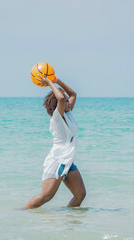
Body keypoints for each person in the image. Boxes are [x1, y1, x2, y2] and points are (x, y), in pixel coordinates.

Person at [23, 75, 86, 209]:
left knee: (80, 195)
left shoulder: (68, 114)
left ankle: (68, 220)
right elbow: (62, 98)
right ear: (58, 105)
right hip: (57, 161)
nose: (69, 101)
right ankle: (21, 212)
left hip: (68, 162)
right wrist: (49, 82)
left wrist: (57, 81)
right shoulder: (58, 118)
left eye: (69, 101)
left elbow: (73, 94)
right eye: (66, 102)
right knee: (46, 197)